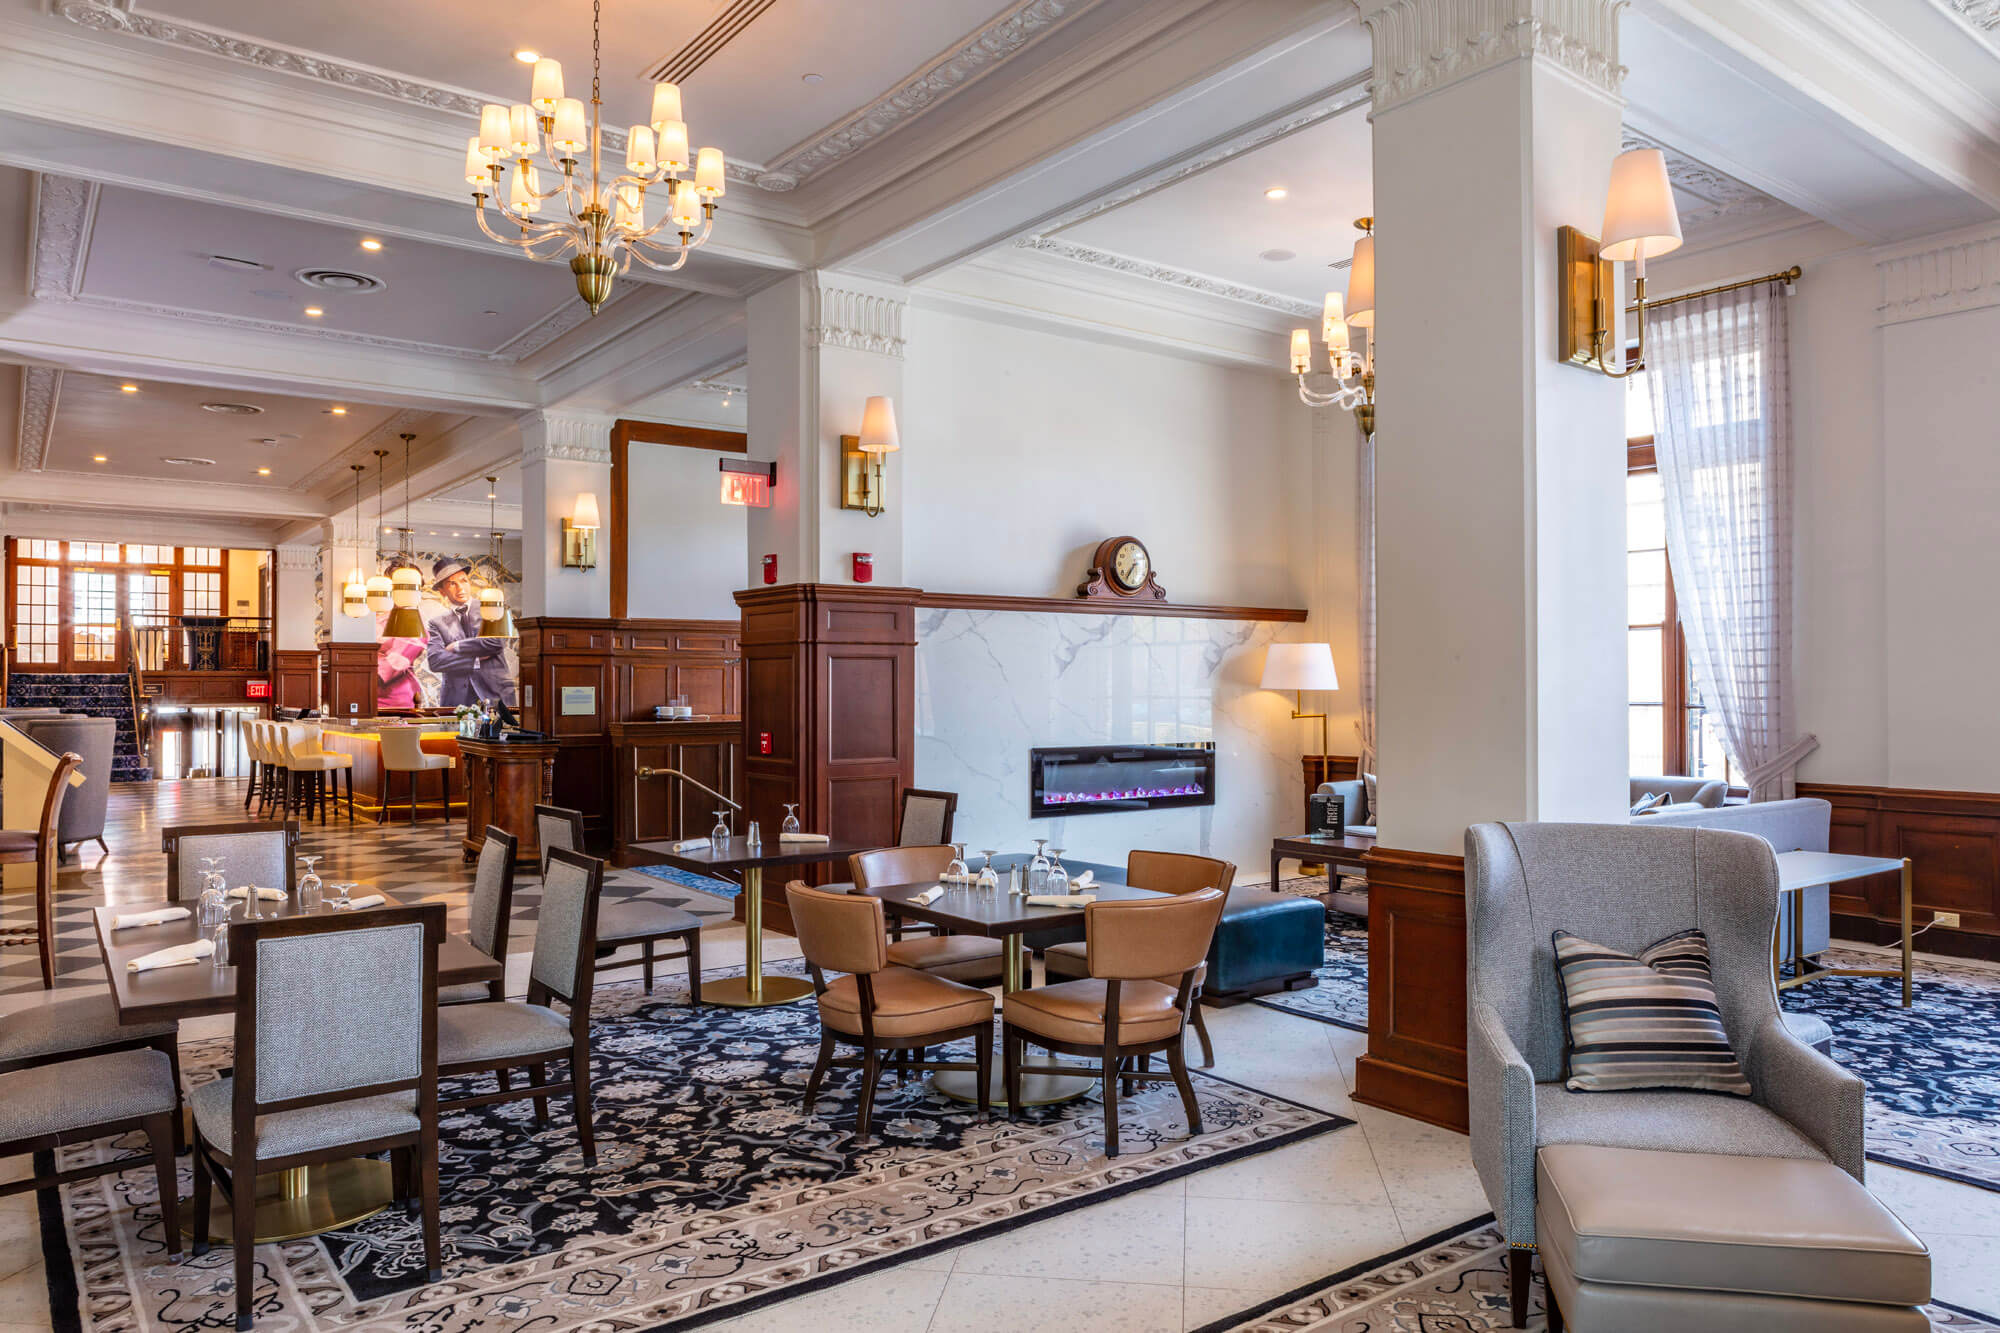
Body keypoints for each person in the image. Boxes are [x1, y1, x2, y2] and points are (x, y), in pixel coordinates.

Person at [424, 557, 515, 708]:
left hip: (496, 695)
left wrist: (456, 646)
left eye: (463, 580)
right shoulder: (437, 623)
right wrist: (475, 661)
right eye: (452, 583)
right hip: (457, 700)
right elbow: (435, 660)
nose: (460, 588)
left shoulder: (490, 608)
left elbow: (495, 642)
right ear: (442, 591)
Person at [376, 608, 425, 710]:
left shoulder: (406, 616)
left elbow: (395, 664)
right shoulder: (359, 614)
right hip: (359, 696)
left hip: (395, 698)